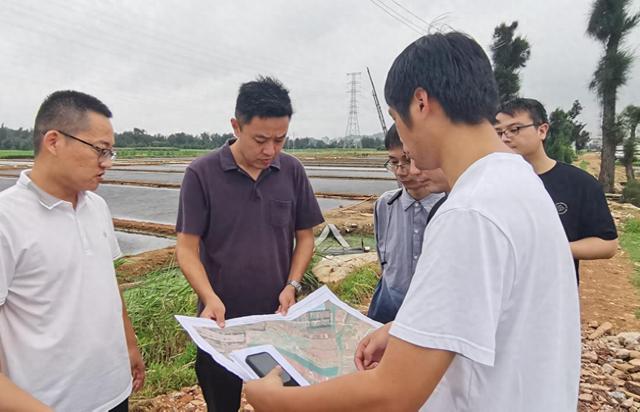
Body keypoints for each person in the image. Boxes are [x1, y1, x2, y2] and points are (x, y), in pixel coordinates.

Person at [245, 32, 580, 411]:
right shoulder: (519, 182)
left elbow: (392, 395)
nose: (401, 141)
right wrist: (407, 331)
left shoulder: (469, 212)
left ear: (420, 103)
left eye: (394, 119)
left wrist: (277, 401)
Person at [175, 76, 324, 411]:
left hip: (278, 320)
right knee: (222, 403)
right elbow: (186, 248)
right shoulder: (202, 174)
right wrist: (209, 298)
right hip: (222, 325)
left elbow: (304, 236)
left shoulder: (292, 171)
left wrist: (293, 283)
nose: (270, 150)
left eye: (280, 140)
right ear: (236, 126)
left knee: (282, 403)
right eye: (260, 140)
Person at [0, 90, 145, 411]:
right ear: (54, 141)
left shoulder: (96, 206)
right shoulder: (6, 220)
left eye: (111, 152)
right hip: (47, 402)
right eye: (99, 150)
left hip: (113, 391)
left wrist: (130, 345)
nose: (106, 163)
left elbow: (108, 284)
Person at [495, 98, 618, 282]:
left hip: (554, 294)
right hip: (500, 295)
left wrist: (551, 250)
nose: (505, 138)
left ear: (542, 130)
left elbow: (607, 245)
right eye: (499, 132)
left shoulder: (579, 183)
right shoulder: (491, 183)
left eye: (515, 129)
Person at [368, 124, 448, 323]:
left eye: (408, 160)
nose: (402, 171)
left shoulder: (450, 209)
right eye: (394, 162)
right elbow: (384, 259)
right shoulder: (385, 205)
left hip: (432, 314)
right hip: (388, 306)